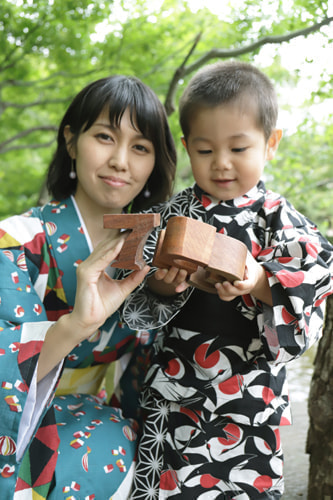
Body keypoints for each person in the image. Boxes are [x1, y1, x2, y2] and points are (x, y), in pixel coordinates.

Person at [120, 61, 333, 499]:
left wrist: (259, 281)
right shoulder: (167, 214)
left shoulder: (278, 217)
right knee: (166, 487)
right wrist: (163, 285)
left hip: (248, 395)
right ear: (185, 148)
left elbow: (317, 268)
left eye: (238, 149)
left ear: (270, 144)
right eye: (204, 151)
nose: (221, 165)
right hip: (174, 391)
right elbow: (130, 294)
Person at [0, 75, 176, 499]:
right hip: (23, 423)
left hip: (108, 422)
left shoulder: (154, 252)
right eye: (104, 136)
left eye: (140, 147)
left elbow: (150, 376)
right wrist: (76, 325)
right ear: (70, 140)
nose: (120, 160)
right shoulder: (14, 241)